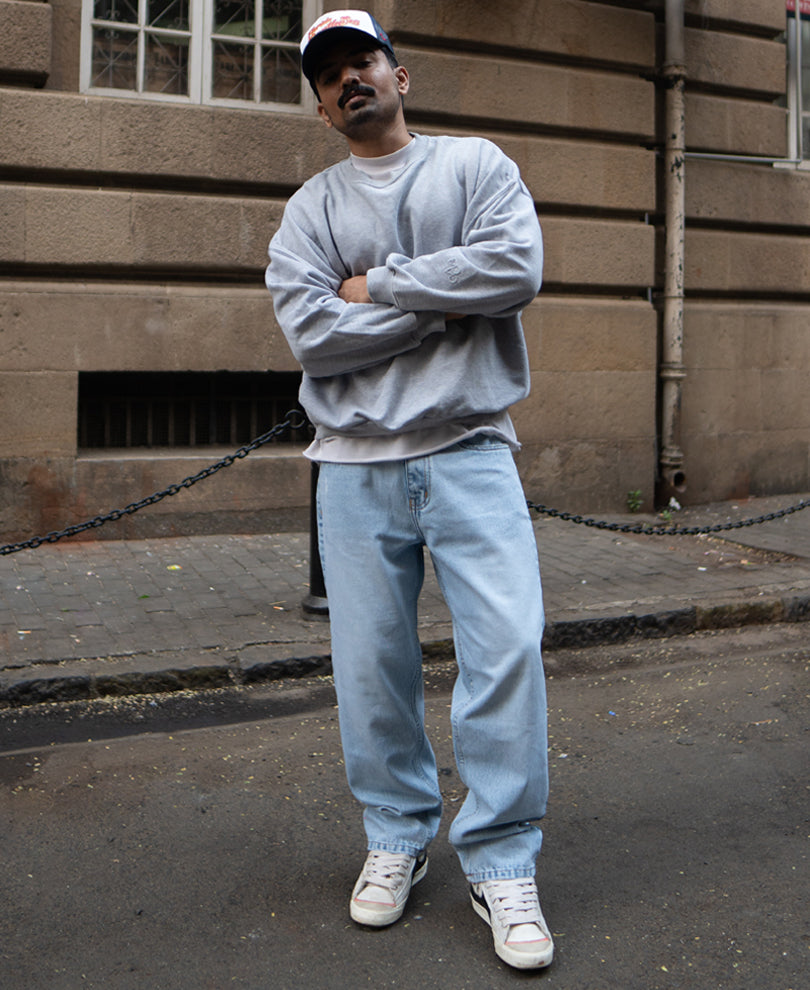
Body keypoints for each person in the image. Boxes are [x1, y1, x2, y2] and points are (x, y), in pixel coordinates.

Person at [265, 9, 553, 971]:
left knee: (506, 651)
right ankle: (396, 835)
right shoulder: (311, 209)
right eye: (331, 75)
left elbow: (513, 268)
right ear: (321, 108)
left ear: (401, 76)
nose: (351, 79)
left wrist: (378, 287)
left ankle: (502, 858)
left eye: (365, 61)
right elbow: (312, 335)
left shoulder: (474, 167)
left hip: (472, 448)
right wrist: (439, 310)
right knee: (370, 669)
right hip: (353, 467)